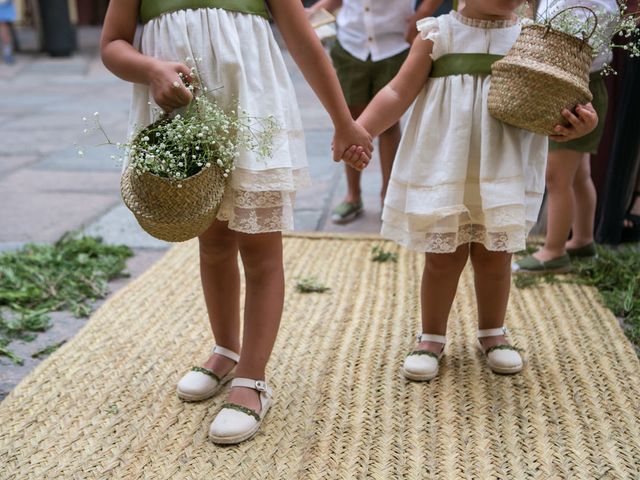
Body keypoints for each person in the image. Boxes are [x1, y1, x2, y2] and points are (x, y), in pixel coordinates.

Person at [101, 0, 372, 445]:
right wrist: (150, 68)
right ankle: (226, 349)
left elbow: (304, 42)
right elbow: (112, 44)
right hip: (186, 120)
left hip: (253, 118)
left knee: (261, 249)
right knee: (214, 243)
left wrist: (344, 122)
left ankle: (252, 377)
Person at [343, 0, 598, 380]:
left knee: (495, 254)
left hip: (502, 167)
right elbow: (397, 92)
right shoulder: (438, 35)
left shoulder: (531, 38)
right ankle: (430, 336)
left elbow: (561, 98)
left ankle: (493, 332)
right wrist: (361, 131)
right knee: (443, 255)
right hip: (447, 164)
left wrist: (581, 123)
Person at [308, 0, 443, 224]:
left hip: (394, 43)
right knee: (350, 122)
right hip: (352, 44)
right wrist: (316, 11)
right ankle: (353, 195)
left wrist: (424, 11)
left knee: (389, 123)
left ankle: (387, 196)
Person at [515, 0, 619, 273]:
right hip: (581, 86)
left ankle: (554, 249)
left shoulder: (593, 4)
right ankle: (583, 239)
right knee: (578, 175)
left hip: (576, 91)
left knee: (557, 178)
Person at [0, 0, 16, 64]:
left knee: (4, 29)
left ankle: (7, 53)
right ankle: (7, 54)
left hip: (4, 5)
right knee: (4, 29)